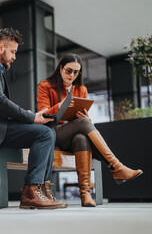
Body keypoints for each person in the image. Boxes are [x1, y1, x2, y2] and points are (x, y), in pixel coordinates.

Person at [0, 27, 66, 209]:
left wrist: (26, 117)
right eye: (13, 51)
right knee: (44, 134)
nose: (14, 57)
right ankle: (31, 191)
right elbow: (0, 102)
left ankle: (42, 188)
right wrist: (31, 117)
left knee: (48, 131)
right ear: (1, 48)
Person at [37, 53, 143, 207]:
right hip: (52, 132)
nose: (71, 75)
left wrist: (86, 117)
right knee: (83, 124)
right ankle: (117, 167)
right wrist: (60, 106)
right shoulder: (45, 86)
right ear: (60, 69)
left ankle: (85, 194)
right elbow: (42, 115)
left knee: (82, 138)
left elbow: (82, 123)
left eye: (75, 72)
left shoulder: (81, 89)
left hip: (73, 133)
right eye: (68, 71)